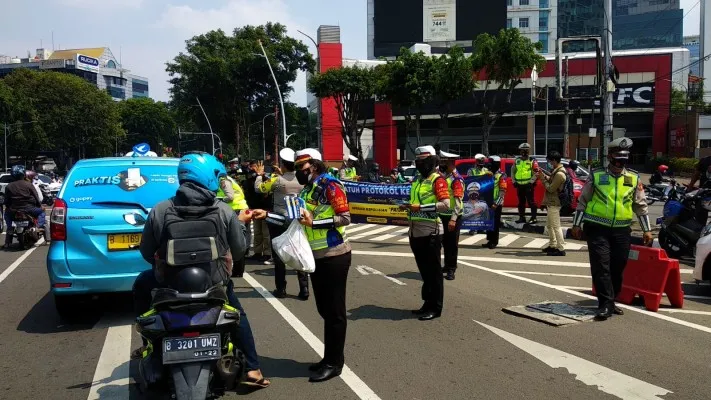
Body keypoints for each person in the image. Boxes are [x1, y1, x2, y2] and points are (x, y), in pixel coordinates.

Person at [132, 152, 271, 388]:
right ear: (207, 176)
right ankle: (253, 370)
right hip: (215, 286)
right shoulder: (224, 210)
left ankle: (149, 341)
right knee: (238, 316)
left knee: (141, 285)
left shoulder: (161, 210)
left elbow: (146, 252)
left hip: (169, 286)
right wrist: (241, 225)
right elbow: (239, 252)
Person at [571, 137, 652, 320]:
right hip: (597, 227)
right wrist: (576, 224)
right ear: (609, 157)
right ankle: (605, 304)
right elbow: (583, 201)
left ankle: (611, 300)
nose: (620, 163)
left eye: (623, 160)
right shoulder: (597, 175)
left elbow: (640, 205)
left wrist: (647, 230)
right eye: (617, 159)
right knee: (601, 266)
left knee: (618, 266)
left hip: (622, 230)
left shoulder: (633, 177)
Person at [291, 148, 352, 382]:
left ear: (314, 166)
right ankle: (329, 357)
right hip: (315, 256)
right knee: (324, 310)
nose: (299, 173)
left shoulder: (331, 186)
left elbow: (345, 217)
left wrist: (315, 222)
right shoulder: (309, 188)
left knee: (334, 312)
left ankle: (334, 363)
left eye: (302, 168)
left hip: (334, 255)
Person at [401, 145, 449, 321]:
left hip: (431, 231)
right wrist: (408, 204)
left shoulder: (438, 180)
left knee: (433, 272)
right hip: (415, 231)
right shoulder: (418, 180)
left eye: (423, 162)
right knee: (424, 272)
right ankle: (426, 304)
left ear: (431, 162)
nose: (420, 164)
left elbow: (445, 204)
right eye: (418, 161)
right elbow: (415, 201)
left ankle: (436, 307)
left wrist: (420, 207)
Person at [255, 148, 310, 300]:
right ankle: (304, 289)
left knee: (279, 254)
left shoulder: (277, 180)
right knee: (299, 251)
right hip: (297, 219)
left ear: (284, 165)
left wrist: (260, 176)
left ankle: (281, 289)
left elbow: (259, 189)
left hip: (278, 219)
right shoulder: (302, 179)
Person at [216, 164, 251, 275]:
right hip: (240, 209)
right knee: (240, 238)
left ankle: (237, 270)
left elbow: (230, 197)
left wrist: (217, 200)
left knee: (236, 239)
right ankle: (238, 270)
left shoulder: (223, 180)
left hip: (236, 211)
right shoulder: (227, 179)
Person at [3, 165, 46, 249]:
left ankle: (9, 228)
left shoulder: (9, 186)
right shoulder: (29, 184)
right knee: (42, 212)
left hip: (14, 210)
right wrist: (40, 206)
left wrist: (8, 207)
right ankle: (38, 227)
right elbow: (36, 197)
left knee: (6, 215)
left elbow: (6, 201)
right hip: (30, 209)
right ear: (23, 174)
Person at [438, 150, 464, 281]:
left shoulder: (456, 179)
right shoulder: (444, 176)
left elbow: (458, 201)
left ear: (450, 163)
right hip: (442, 215)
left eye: (444, 161)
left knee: (452, 244)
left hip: (453, 216)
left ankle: (451, 269)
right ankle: (447, 265)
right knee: (444, 242)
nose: (442, 163)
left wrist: (453, 219)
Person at [538, 151, 567, 256]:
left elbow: (550, 188)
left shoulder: (559, 174)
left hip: (555, 202)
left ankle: (560, 248)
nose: (549, 163)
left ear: (554, 160)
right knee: (550, 226)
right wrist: (544, 175)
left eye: (549, 161)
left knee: (556, 226)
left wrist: (542, 179)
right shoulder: (556, 171)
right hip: (551, 202)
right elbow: (550, 180)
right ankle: (552, 245)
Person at [243, 161, 272, 263]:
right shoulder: (251, 177)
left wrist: (262, 175)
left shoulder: (267, 176)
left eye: (255, 166)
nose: (253, 168)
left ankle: (267, 253)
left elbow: (267, 185)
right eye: (251, 166)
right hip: (255, 207)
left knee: (265, 232)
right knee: (257, 232)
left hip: (265, 208)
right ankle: (258, 252)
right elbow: (248, 186)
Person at [511, 143, 539, 224]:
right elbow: (512, 172)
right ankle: (521, 217)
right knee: (521, 202)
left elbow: (536, 172)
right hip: (519, 185)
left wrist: (531, 182)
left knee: (531, 202)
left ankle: (534, 218)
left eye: (526, 150)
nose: (524, 152)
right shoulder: (517, 161)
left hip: (528, 185)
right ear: (520, 151)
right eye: (522, 150)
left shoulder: (532, 160)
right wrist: (514, 181)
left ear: (528, 151)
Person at [484, 156, 507, 249]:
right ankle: (489, 240)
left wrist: (496, 203)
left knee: (495, 223)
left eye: (491, 163)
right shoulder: (489, 174)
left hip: (496, 203)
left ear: (497, 164)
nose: (489, 165)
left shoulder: (502, 175)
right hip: (487, 202)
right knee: (488, 222)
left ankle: (494, 241)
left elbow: (502, 191)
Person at [688, 156, 711, 225]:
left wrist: (690, 187)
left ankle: (699, 230)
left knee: (700, 216)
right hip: (704, 193)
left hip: (704, 193)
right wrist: (690, 186)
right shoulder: (705, 160)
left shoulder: (705, 160)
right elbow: (696, 174)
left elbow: (696, 175)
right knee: (700, 215)